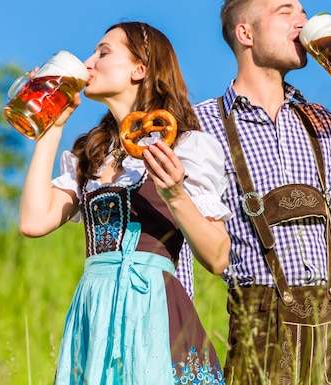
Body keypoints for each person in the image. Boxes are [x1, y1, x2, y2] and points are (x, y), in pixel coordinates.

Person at [176, 0, 331, 385]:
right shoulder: (202, 125)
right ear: (245, 33)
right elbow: (183, 233)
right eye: (285, 13)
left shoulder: (321, 119)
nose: (302, 23)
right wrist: (181, 340)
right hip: (260, 317)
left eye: (303, 14)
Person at [18, 21, 230, 385]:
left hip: (154, 309)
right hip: (94, 309)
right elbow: (34, 222)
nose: (88, 63)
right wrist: (49, 126)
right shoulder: (91, 154)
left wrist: (176, 193)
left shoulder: (187, 147)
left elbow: (218, 256)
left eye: (103, 52)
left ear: (140, 69)